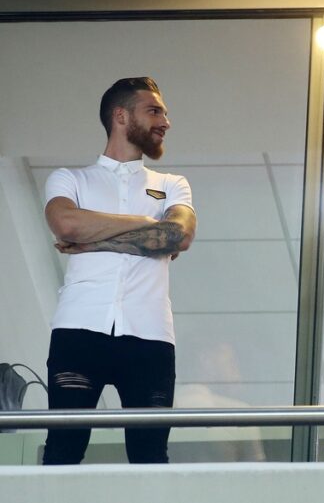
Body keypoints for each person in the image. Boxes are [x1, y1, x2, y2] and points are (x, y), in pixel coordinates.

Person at [42, 77, 196, 464]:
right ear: (121, 116)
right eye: (155, 111)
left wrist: (93, 241)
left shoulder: (172, 184)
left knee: (150, 456)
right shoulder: (70, 178)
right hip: (79, 329)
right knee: (63, 451)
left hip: (150, 335)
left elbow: (177, 235)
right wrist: (146, 223)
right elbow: (66, 224)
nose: (166, 122)